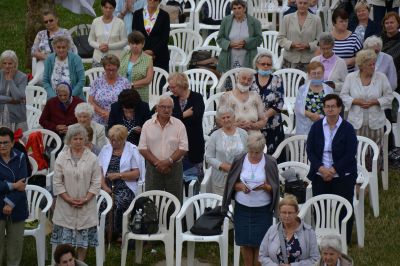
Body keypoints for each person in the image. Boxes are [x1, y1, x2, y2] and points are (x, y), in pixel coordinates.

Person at [222, 131, 280, 266]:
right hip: (243, 208)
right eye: (251, 151)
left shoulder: (270, 162)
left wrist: (265, 187)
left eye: (257, 152)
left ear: (263, 149)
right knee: (245, 243)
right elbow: (231, 183)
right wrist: (240, 186)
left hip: (262, 210)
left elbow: (275, 188)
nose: (254, 155)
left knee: (261, 245)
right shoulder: (239, 159)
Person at [306, 94, 358, 243]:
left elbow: (350, 153)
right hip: (320, 173)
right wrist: (321, 169)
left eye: (333, 106)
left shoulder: (347, 128)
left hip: (342, 174)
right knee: (320, 207)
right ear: (324, 108)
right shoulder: (316, 127)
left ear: (339, 108)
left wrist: (333, 170)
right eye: (327, 107)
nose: (330, 109)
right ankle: (321, 238)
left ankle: (344, 240)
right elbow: (310, 150)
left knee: (343, 208)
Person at [51, 124, 101, 261]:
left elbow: (96, 181)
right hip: (65, 207)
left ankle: (79, 263)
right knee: (65, 243)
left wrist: (86, 198)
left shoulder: (92, 158)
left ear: (85, 139)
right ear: (69, 140)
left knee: (82, 243)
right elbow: (57, 182)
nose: (78, 141)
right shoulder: (61, 157)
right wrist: (68, 199)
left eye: (80, 138)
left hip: (86, 206)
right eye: (75, 139)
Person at [340, 49, 393, 153]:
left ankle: (375, 169)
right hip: (356, 122)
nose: (373, 67)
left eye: (374, 64)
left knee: (376, 151)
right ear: (361, 66)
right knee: (357, 150)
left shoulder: (381, 77)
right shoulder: (350, 77)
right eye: (370, 65)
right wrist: (355, 101)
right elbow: (343, 95)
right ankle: (358, 169)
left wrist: (376, 101)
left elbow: (389, 97)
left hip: (376, 122)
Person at [138, 95, 188, 203]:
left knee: (175, 201)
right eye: (163, 107)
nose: (166, 110)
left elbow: (183, 148)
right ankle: (153, 221)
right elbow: (142, 148)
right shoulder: (147, 125)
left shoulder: (179, 125)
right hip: (153, 167)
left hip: (174, 168)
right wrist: (158, 163)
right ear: (157, 108)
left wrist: (168, 161)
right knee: (152, 201)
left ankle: (174, 221)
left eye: (169, 107)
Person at [98, 125, 144, 240]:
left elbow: (136, 173)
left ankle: (119, 232)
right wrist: (104, 187)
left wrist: (119, 175)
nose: (113, 142)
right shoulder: (106, 149)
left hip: (126, 186)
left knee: (119, 202)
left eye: (116, 140)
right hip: (106, 186)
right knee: (102, 202)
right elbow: (99, 172)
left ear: (123, 139)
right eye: (111, 139)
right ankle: (104, 232)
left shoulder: (132, 150)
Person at [259, 195, 320, 265]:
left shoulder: (308, 232)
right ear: (279, 212)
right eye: (284, 212)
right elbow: (262, 256)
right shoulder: (272, 230)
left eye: (290, 213)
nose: (287, 216)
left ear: (297, 212)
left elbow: (315, 259)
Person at [169, 73, 205, 186]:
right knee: (177, 182)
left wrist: (177, 116)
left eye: (173, 87)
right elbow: (168, 118)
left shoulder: (197, 97)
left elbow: (196, 117)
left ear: (182, 85)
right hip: (176, 146)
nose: (171, 90)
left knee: (194, 182)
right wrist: (185, 114)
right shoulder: (171, 99)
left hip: (193, 143)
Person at [0, 127, 28, 266]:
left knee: (15, 246)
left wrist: (10, 202)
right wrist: (13, 185)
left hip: (17, 206)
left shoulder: (21, 157)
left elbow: (22, 184)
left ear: (12, 143)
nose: (2, 146)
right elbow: (17, 185)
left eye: (5, 142)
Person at [205, 106, 248, 196]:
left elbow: (248, 154)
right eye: (223, 118)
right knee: (222, 207)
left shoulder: (243, 133)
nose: (226, 120)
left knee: (240, 203)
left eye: (228, 117)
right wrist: (222, 165)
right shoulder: (214, 136)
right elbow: (208, 157)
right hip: (221, 177)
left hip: (241, 176)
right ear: (219, 120)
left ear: (233, 118)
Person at [250, 52, 285, 157]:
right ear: (257, 64)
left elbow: (279, 102)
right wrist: (257, 119)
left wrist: (264, 117)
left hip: (272, 123)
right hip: (253, 123)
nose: (266, 66)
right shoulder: (250, 79)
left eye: (268, 64)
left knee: (273, 156)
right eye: (263, 64)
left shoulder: (277, 79)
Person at [216, 0, 262, 73]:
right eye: (234, 8)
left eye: (239, 8)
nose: (237, 11)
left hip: (248, 57)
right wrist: (229, 44)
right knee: (230, 80)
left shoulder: (255, 22)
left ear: (244, 9)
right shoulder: (226, 20)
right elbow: (219, 39)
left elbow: (259, 39)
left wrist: (245, 42)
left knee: (245, 81)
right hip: (229, 57)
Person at [31, 9, 76, 83]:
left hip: (62, 61)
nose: (48, 23)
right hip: (44, 62)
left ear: (57, 19)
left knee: (61, 79)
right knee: (41, 78)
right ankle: (41, 92)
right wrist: (46, 57)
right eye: (46, 22)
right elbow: (33, 51)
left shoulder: (65, 32)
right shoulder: (40, 34)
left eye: (51, 20)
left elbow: (72, 50)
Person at [277, 0, 323, 71]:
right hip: (289, 60)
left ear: (309, 4)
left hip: (308, 61)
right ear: (296, 3)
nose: (302, 5)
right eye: (300, 3)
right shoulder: (287, 18)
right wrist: (292, 44)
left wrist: (309, 45)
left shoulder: (316, 20)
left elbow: (320, 41)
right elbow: (280, 38)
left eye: (305, 3)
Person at [88, 54, 131, 126]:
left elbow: (128, 102)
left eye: (113, 70)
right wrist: (103, 112)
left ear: (118, 68)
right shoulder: (97, 81)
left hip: (118, 117)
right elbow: (90, 100)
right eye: (108, 69)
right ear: (104, 68)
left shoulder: (125, 82)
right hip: (99, 118)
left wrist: (112, 114)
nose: (111, 72)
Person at [294, 61, 334, 135]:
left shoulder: (329, 90)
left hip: (323, 124)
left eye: (319, 73)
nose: (316, 75)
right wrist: (311, 115)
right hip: (305, 126)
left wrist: (320, 117)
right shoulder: (302, 89)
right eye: (313, 73)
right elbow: (298, 108)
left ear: (323, 74)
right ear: (309, 75)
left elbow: (333, 108)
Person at [132, 0, 170, 72]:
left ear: (159, 1)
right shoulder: (137, 14)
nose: (152, 1)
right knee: (142, 82)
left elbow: (165, 38)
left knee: (160, 82)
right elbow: (135, 36)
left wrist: (153, 52)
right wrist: (143, 52)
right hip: (141, 56)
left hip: (160, 57)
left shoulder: (164, 15)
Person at [43, 35, 85, 100]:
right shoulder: (49, 59)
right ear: (54, 48)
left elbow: (81, 81)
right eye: (58, 47)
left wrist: (70, 96)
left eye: (63, 47)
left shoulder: (76, 59)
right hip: (54, 98)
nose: (61, 50)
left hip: (73, 98)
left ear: (68, 48)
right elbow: (45, 81)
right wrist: (54, 97)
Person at [88, 0, 127, 67]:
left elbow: (125, 41)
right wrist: (99, 46)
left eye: (110, 8)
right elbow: (90, 40)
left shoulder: (120, 23)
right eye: (106, 7)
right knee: (98, 77)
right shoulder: (96, 21)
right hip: (98, 59)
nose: (108, 10)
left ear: (114, 9)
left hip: (115, 59)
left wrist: (109, 47)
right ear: (102, 7)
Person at [118, 30, 153, 102]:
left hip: (140, 94)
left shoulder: (148, 59)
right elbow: (117, 72)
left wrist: (131, 85)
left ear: (143, 44)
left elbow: (148, 79)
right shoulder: (123, 55)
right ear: (129, 44)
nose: (134, 46)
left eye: (137, 43)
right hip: (121, 92)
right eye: (132, 43)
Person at [0, 50, 27, 131]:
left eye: (10, 63)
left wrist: (10, 80)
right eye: (4, 63)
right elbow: (15, 99)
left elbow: (18, 97)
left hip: (17, 117)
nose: (7, 66)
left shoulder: (22, 77)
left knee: (18, 142)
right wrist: (10, 99)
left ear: (15, 64)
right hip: (1, 115)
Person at [331, 8, 363, 73]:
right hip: (331, 75)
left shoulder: (354, 37)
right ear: (334, 23)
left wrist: (350, 61)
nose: (344, 23)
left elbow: (362, 56)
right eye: (341, 21)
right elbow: (319, 56)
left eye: (346, 21)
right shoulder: (327, 37)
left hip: (350, 75)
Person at [381, 12, 400, 93]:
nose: (389, 25)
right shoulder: (378, 40)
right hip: (380, 80)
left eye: (392, 22)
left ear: (398, 24)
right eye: (386, 23)